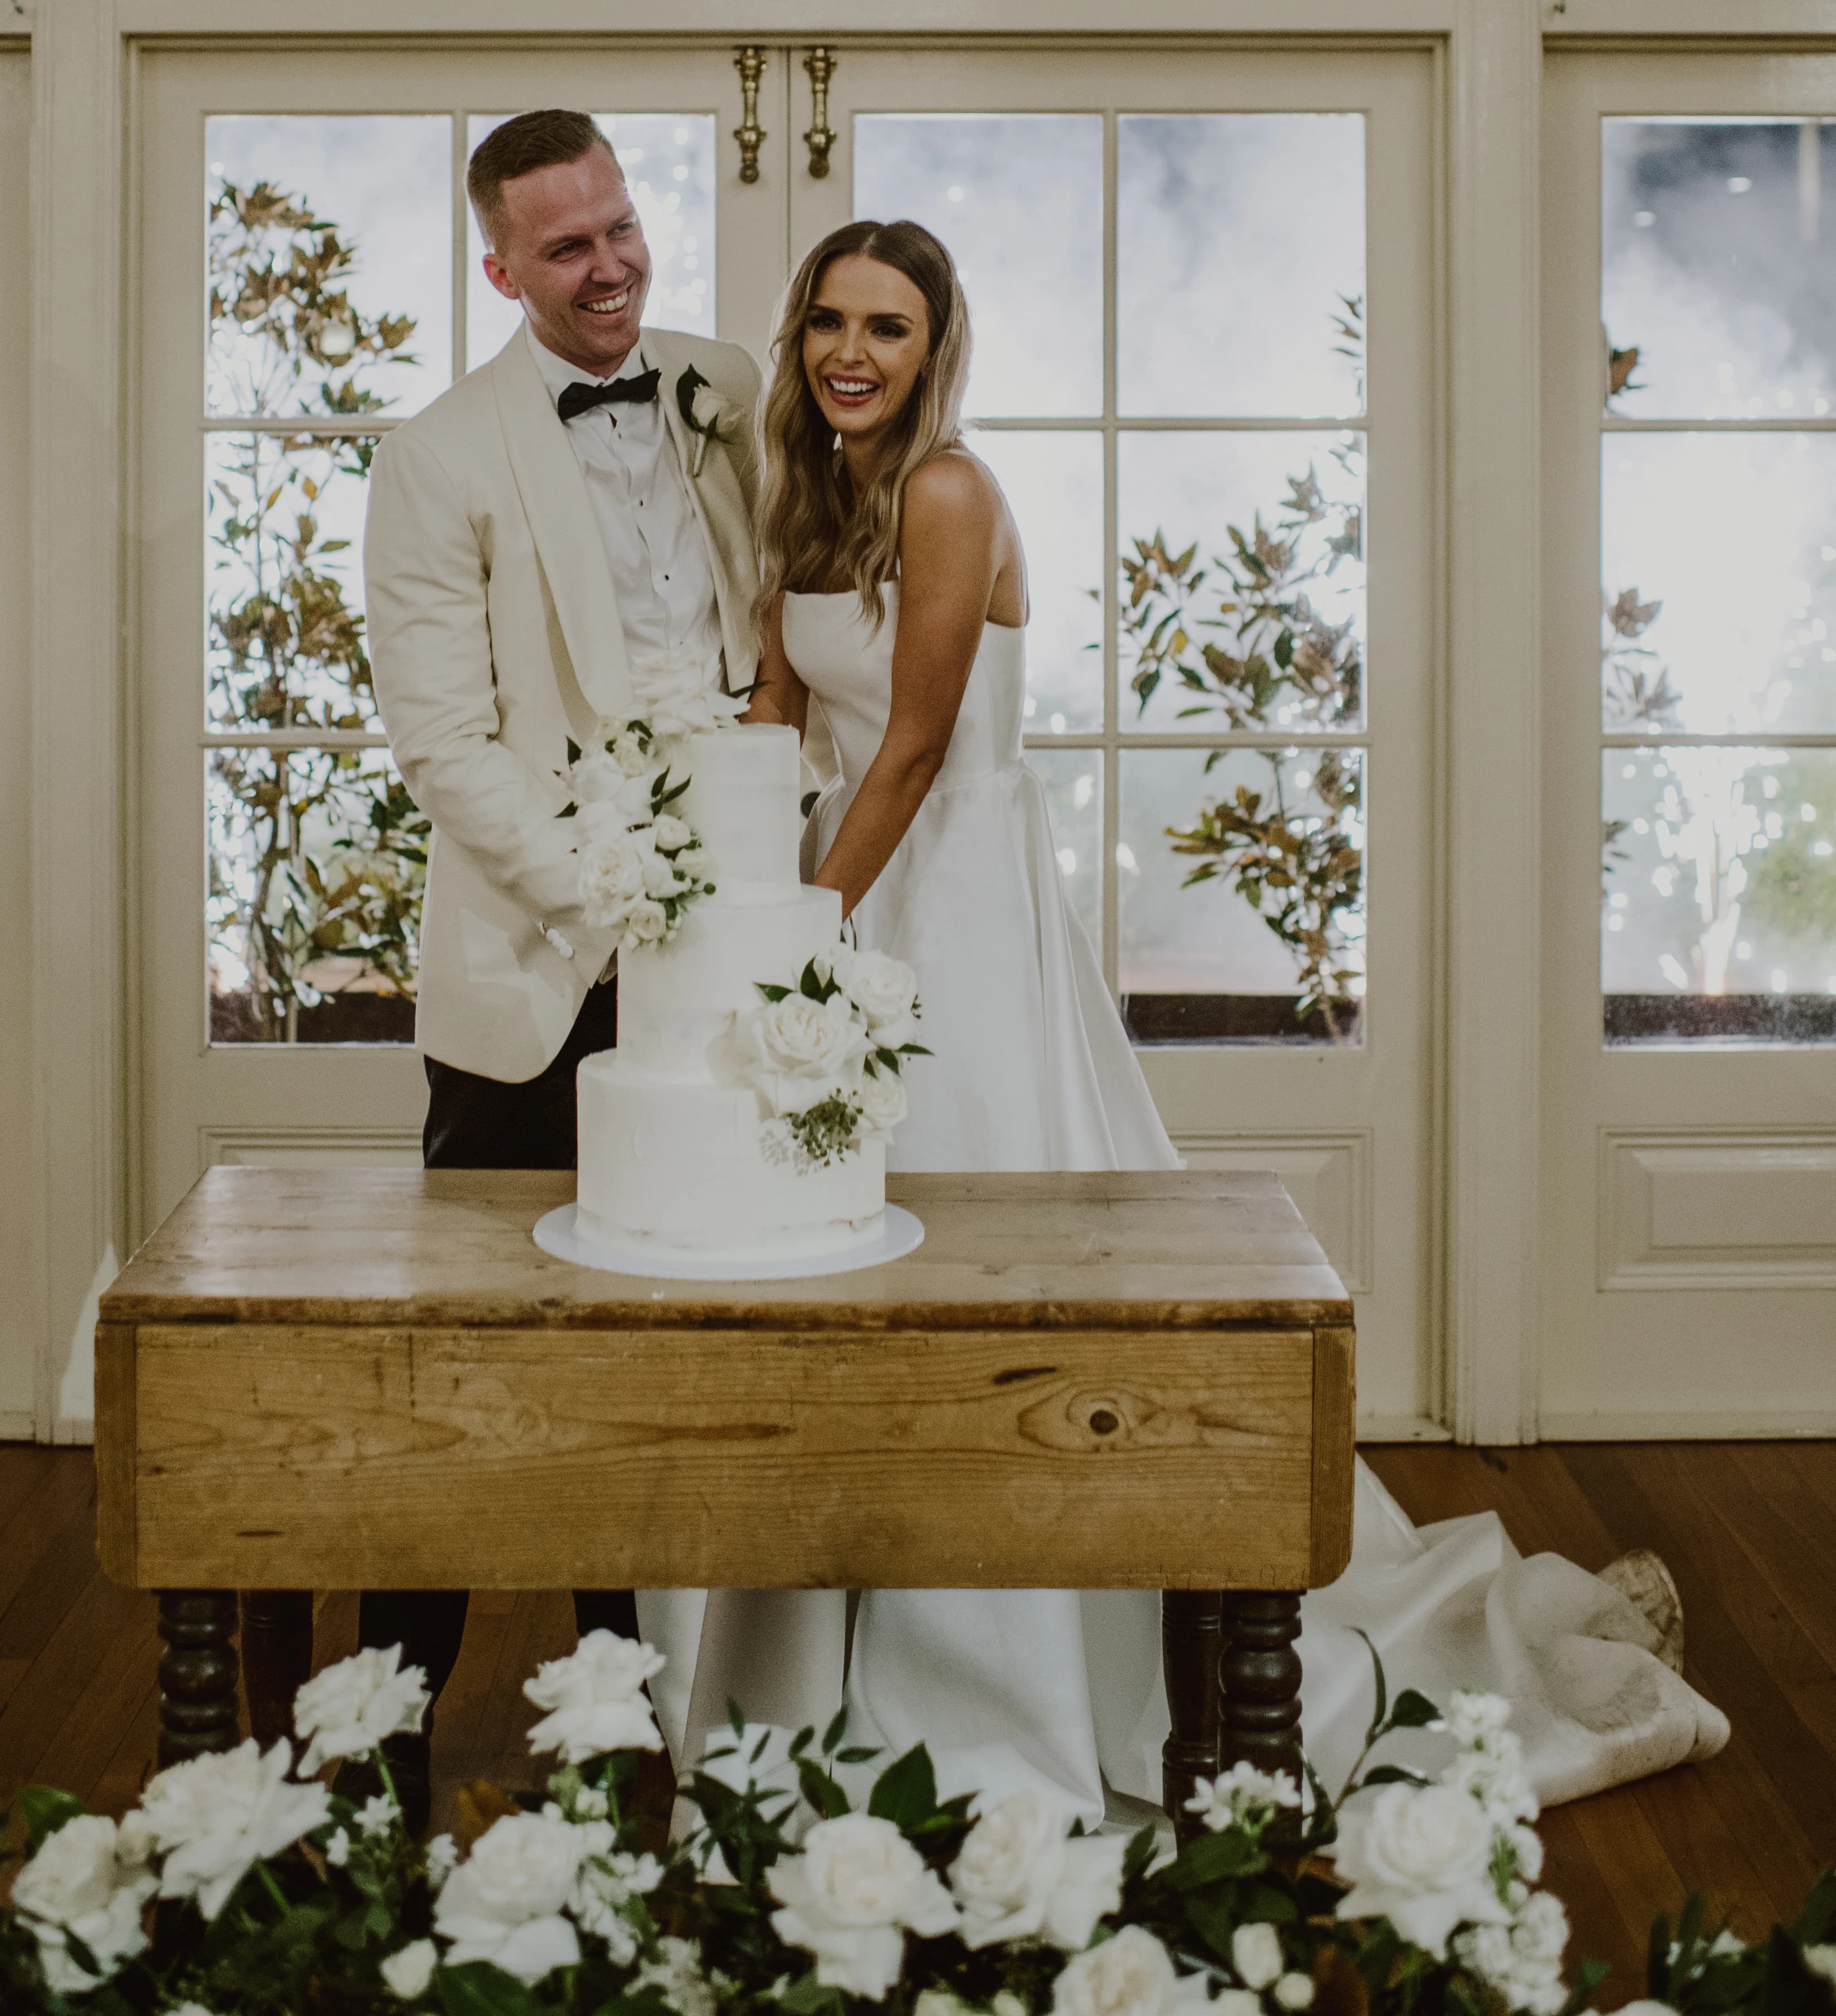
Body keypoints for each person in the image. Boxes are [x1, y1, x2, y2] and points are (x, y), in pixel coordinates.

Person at [641, 218, 1729, 1824]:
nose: (850, 353)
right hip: (839, 886)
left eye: (887, 326)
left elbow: (921, 746)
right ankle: (824, 1649)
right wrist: (698, 875)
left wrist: (810, 931)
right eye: (826, 323)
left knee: (978, 1253)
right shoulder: (808, 497)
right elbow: (781, 717)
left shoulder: (951, 492)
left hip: (951, 914)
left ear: (938, 348)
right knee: (832, 1260)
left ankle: (1019, 1669)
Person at [359, 109, 766, 1822]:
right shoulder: (439, 455)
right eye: (566, 248)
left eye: (619, 229)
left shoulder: (730, 385)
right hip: (540, 971)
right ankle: (374, 1738)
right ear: (500, 267)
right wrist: (619, 892)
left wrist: (741, 891)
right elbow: (446, 747)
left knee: (676, 1358)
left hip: (739, 961)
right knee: (469, 1374)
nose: (609, 270)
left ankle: (639, 1741)